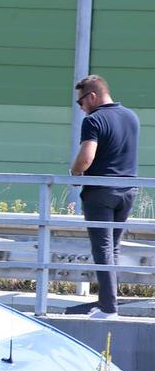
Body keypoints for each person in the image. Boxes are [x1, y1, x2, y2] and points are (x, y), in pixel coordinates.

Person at [70, 74, 140, 319]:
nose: (80, 107)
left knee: (103, 248)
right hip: (128, 190)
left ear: (92, 96)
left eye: (81, 102)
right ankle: (107, 302)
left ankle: (109, 308)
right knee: (114, 248)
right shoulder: (131, 117)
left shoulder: (94, 120)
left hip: (101, 192)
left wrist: (75, 171)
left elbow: (86, 158)